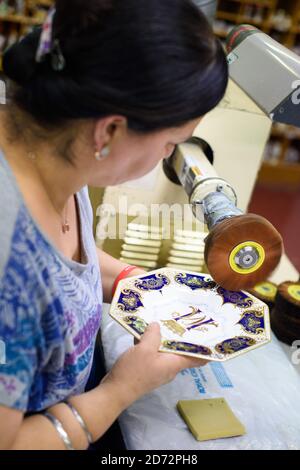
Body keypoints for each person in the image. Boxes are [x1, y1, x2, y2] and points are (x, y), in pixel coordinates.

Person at [0, 0, 228, 450]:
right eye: (171, 142)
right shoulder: (9, 261)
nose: (168, 156)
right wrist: (122, 389)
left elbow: (64, 260)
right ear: (108, 132)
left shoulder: (52, 140)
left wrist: (134, 282)